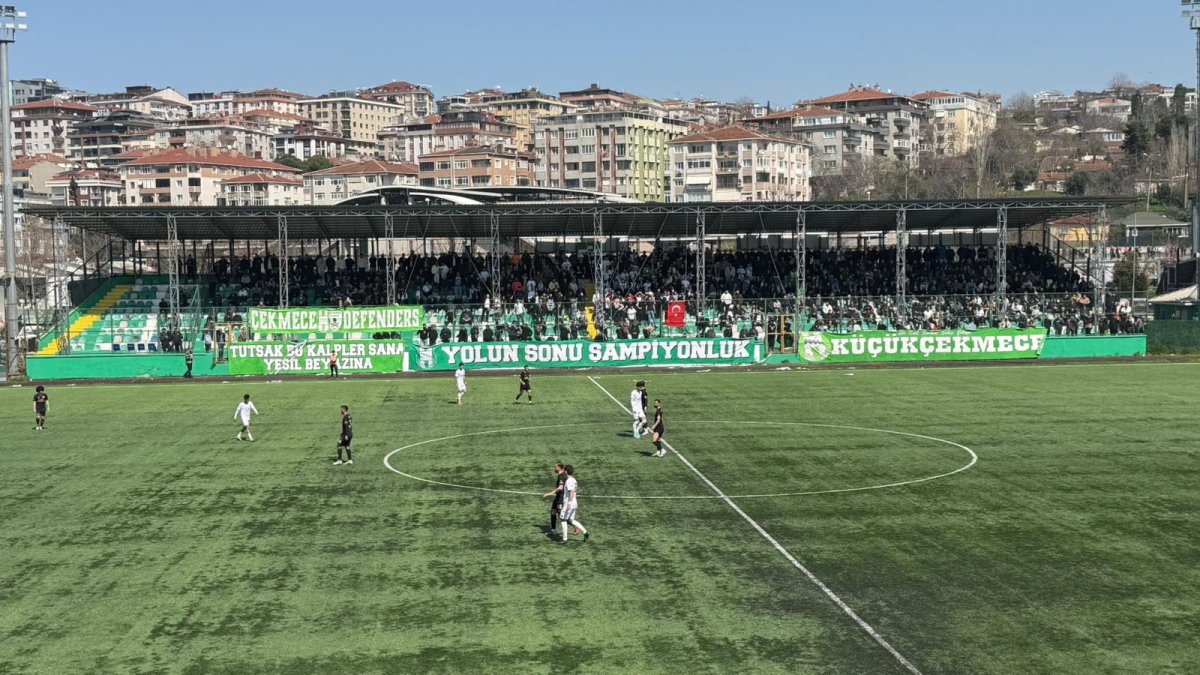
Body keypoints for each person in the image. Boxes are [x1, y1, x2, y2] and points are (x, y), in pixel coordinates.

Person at [558, 465, 589, 544]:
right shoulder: (574, 480)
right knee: (571, 520)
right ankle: (585, 532)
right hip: (574, 502)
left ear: (566, 471)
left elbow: (571, 492)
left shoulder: (569, 481)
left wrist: (569, 503)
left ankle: (565, 539)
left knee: (563, 519)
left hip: (569, 503)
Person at [542, 462, 566, 533]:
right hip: (557, 498)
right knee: (553, 512)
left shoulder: (561, 476)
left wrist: (549, 494)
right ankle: (553, 529)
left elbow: (560, 488)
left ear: (559, 468)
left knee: (561, 516)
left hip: (560, 500)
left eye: (555, 467)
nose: (554, 468)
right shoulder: (561, 475)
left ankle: (575, 525)